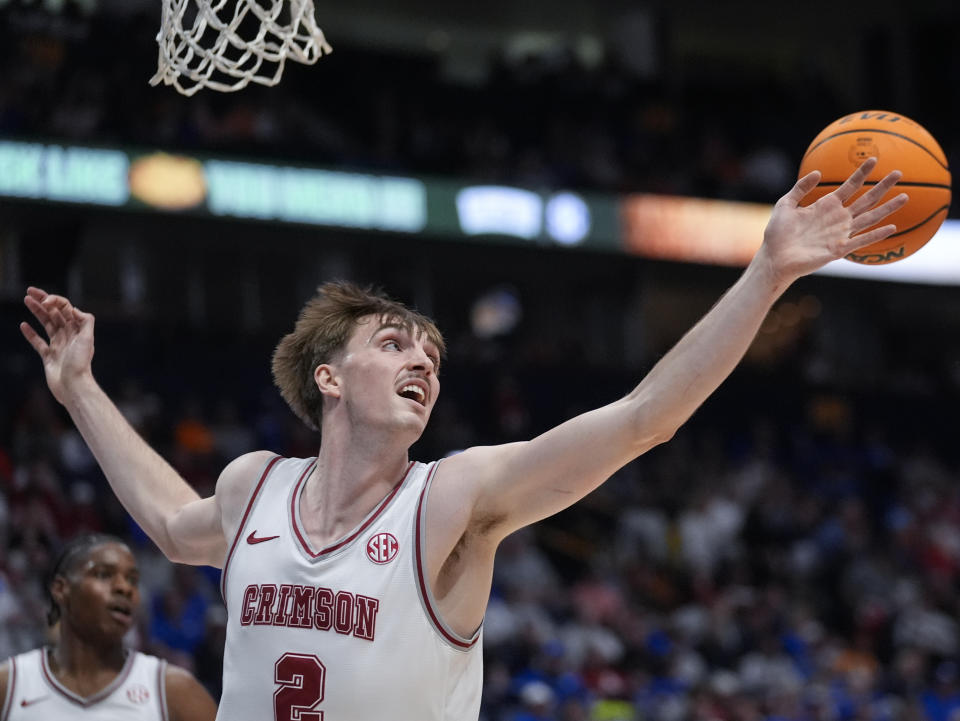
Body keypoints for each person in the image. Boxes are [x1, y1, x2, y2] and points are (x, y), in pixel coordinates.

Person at [20, 159, 907, 720]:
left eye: (435, 355)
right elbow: (175, 524)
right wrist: (79, 387)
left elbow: (645, 418)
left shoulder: (451, 498)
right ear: (329, 377)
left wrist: (769, 271)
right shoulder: (257, 487)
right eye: (395, 343)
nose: (425, 363)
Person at [0, 534, 217, 720]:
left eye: (132, 580)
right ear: (61, 589)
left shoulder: (175, 690)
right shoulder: (10, 684)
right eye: (103, 575)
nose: (124, 588)